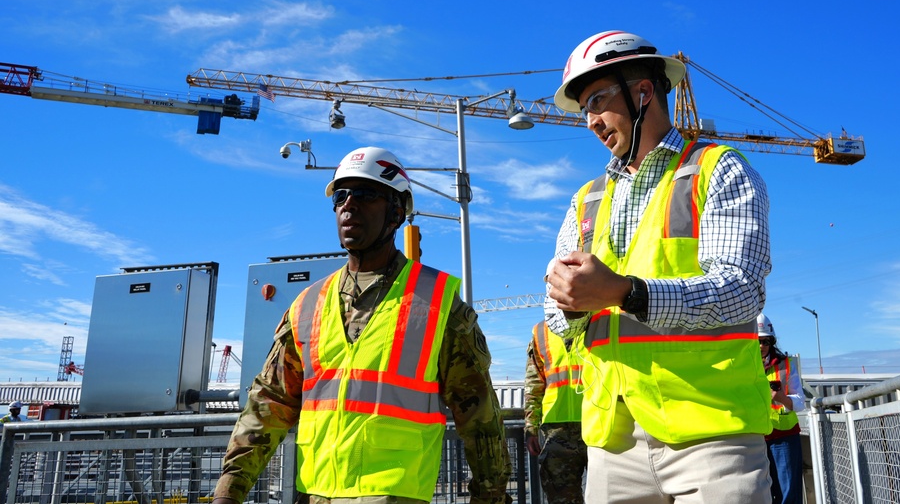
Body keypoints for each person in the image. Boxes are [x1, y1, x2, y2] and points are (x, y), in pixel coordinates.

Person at [544, 30, 774, 503]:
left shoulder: (719, 169)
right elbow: (555, 317)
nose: (590, 121)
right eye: (584, 108)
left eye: (597, 101)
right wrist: (570, 306)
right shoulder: (586, 200)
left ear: (644, 92)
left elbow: (740, 291)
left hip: (714, 436)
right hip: (613, 443)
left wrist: (624, 292)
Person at [213, 146, 512, 504]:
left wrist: (491, 496)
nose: (349, 205)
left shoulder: (438, 304)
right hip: (314, 495)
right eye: (341, 196)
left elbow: (480, 418)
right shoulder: (307, 304)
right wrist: (227, 494)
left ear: (397, 211)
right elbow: (268, 404)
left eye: (366, 194)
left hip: (394, 496)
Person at [524, 321, 587, 504]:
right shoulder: (541, 332)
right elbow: (534, 383)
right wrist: (531, 428)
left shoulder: (600, 319)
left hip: (601, 426)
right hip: (557, 431)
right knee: (561, 498)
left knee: (608, 496)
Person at [757, 314, 806, 504]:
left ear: (772, 341)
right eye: (758, 341)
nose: (762, 346)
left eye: (766, 341)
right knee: (760, 492)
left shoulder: (786, 364)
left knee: (788, 494)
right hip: (754, 437)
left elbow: (800, 401)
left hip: (783, 437)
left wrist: (782, 398)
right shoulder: (742, 366)